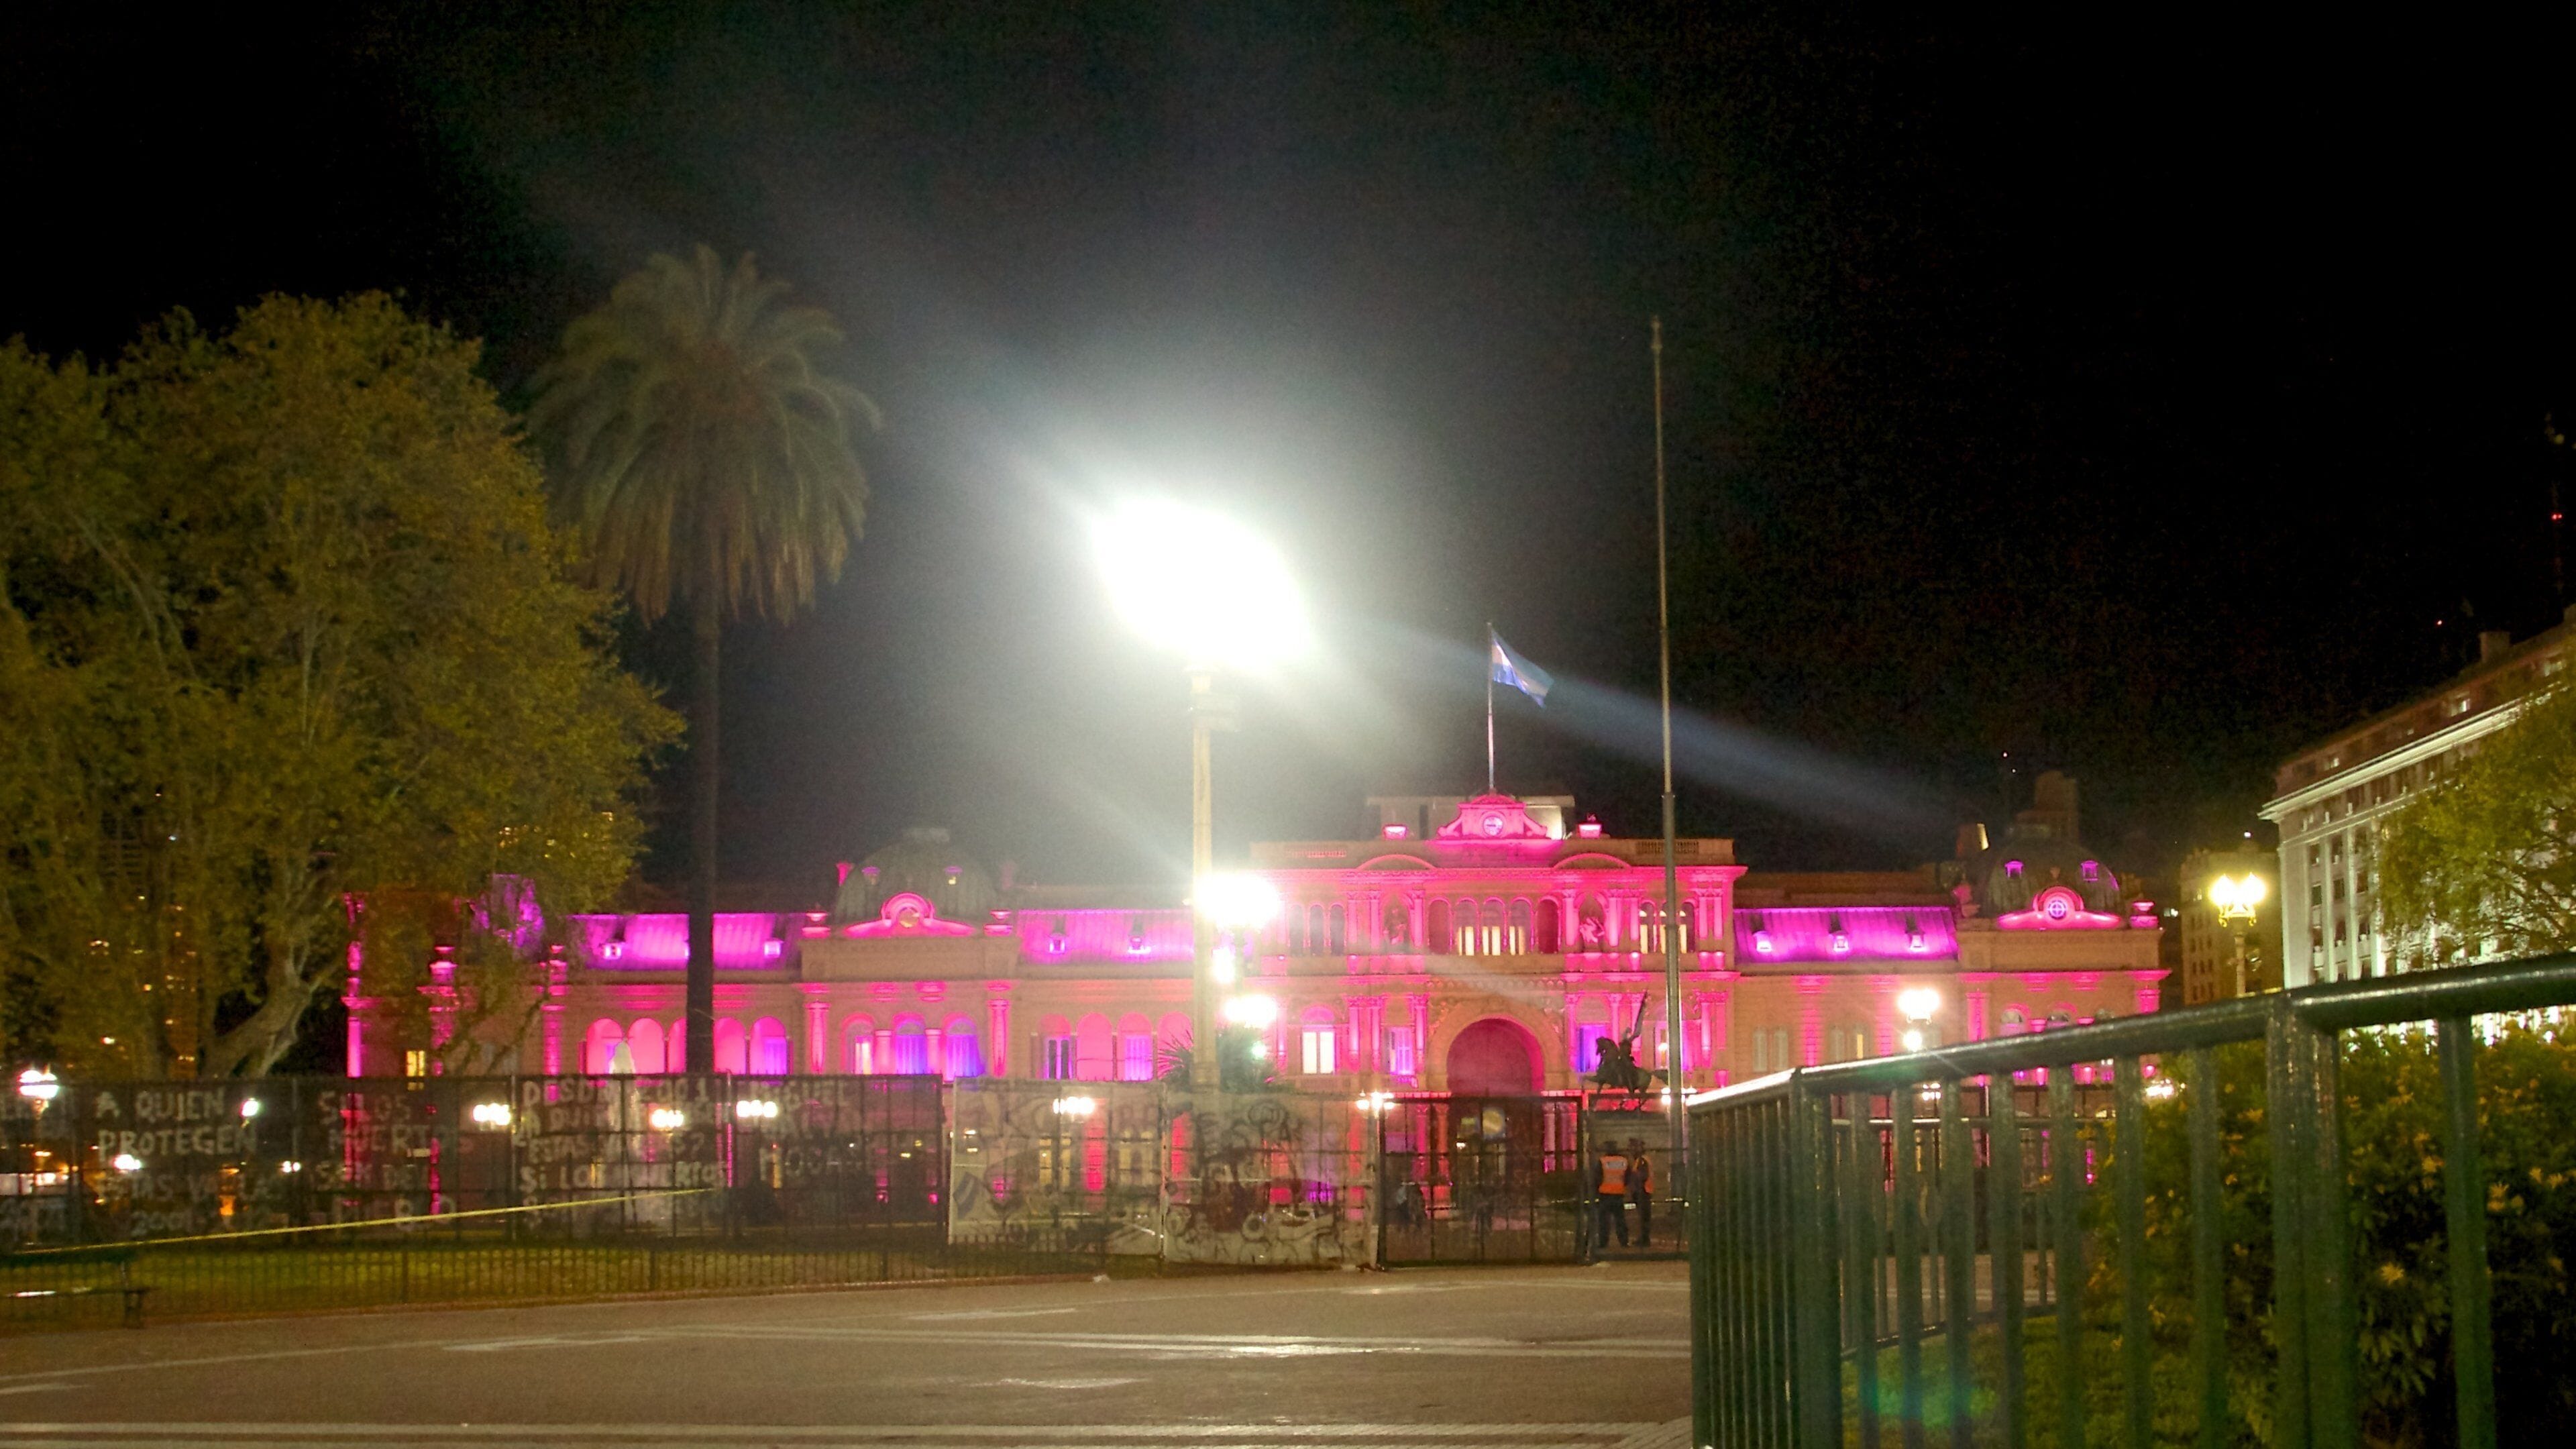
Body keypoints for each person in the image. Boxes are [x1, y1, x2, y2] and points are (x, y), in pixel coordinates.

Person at [1591, 1138, 1631, 1251]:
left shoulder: (1602, 1161)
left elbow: (1597, 1178)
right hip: (1619, 1194)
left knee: (1604, 1221)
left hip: (1605, 1194)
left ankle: (1603, 1242)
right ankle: (1624, 1241)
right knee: (1621, 1220)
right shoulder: (1624, 1161)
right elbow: (1628, 1177)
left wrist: (1596, 1190)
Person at [1626, 1137, 1655, 1248]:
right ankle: (1644, 1238)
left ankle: (1644, 1239)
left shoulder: (1642, 1160)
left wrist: (1636, 1184)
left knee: (1644, 1217)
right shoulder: (1641, 1160)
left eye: (1633, 1147)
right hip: (1644, 1191)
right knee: (1644, 1217)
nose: (1631, 1149)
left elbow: (1643, 1176)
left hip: (1643, 1191)